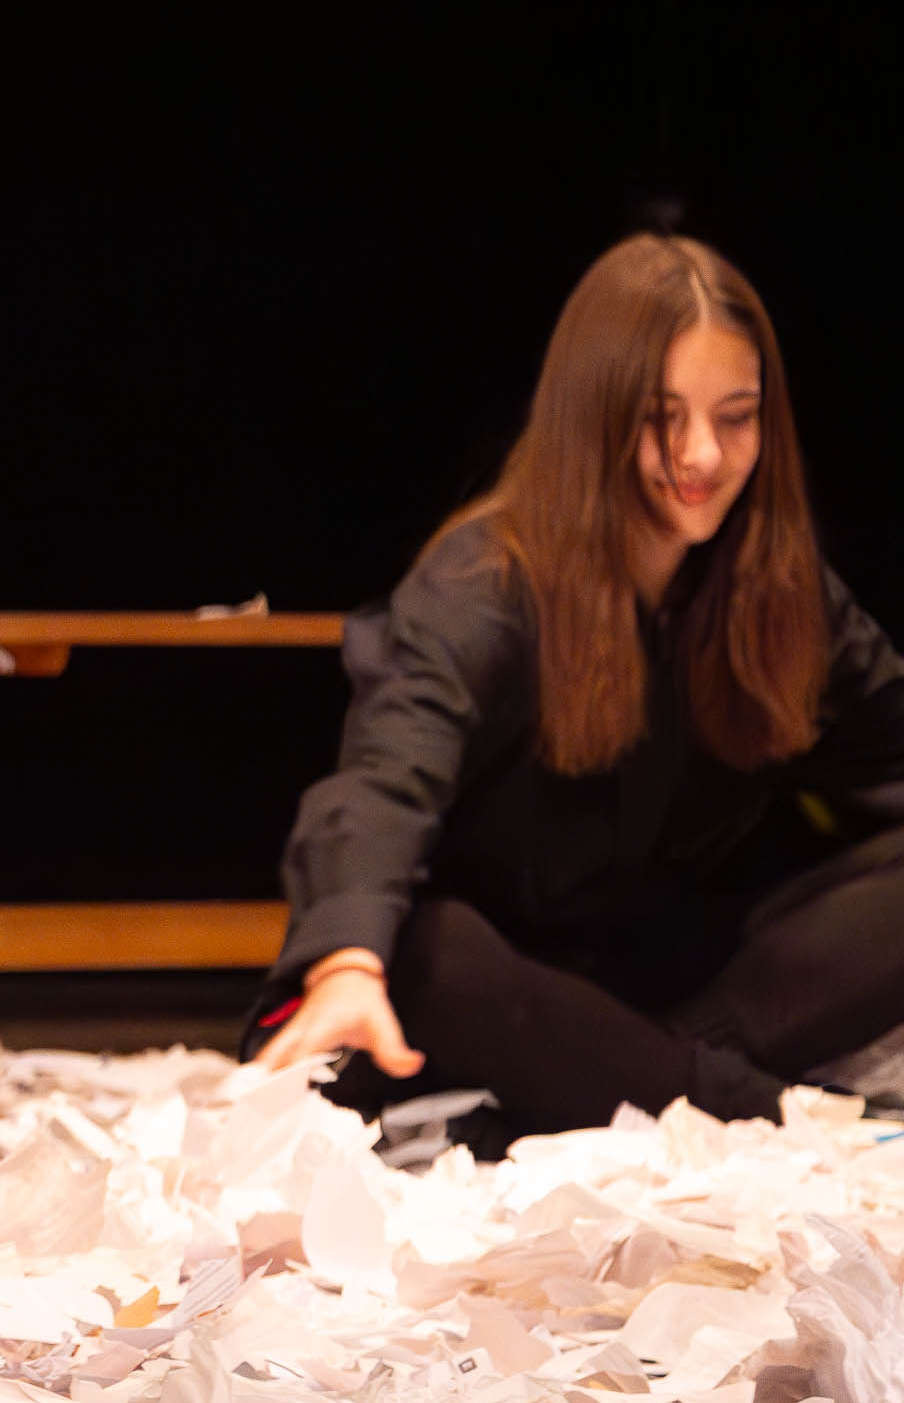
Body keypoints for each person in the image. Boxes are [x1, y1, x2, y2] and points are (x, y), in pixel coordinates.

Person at [253, 232, 904, 1139]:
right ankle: (732, 1104)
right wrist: (349, 963)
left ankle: (631, 1079)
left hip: (662, 993)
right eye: (662, 417)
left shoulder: (779, 589)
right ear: (593, 414)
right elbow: (382, 782)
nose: (702, 455)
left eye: (736, 417)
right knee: (429, 952)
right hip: (493, 1001)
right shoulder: (484, 585)